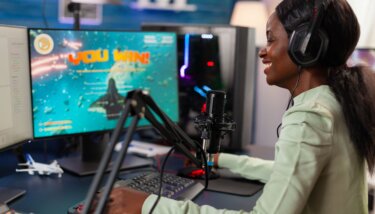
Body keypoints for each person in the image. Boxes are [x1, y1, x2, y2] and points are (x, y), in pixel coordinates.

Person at [99, 0, 375, 213]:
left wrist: (148, 205)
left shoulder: (309, 116)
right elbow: (289, 176)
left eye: (270, 39)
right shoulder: (334, 100)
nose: (262, 51)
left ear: (305, 47)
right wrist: (223, 160)